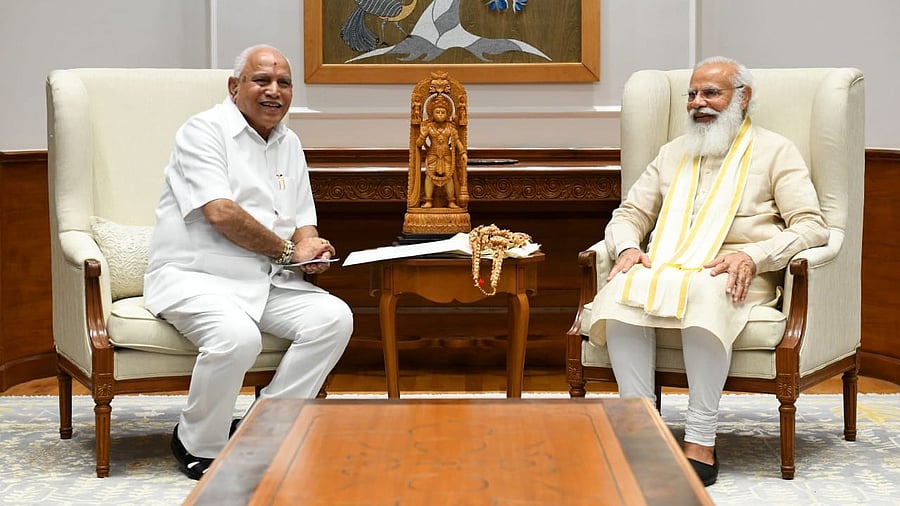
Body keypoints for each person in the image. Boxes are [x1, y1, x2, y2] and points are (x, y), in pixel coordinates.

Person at [588, 56, 829, 486]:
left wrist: (754, 256)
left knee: (704, 290)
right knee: (623, 286)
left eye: (711, 93)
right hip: (667, 264)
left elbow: (811, 225)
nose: (699, 103)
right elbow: (629, 214)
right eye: (693, 94)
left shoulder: (775, 150)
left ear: (743, 97)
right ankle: (640, 428)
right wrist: (626, 248)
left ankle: (700, 439)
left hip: (737, 274)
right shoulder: (673, 152)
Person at [143, 44, 353, 480]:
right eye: (262, 80)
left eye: (284, 83)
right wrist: (287, 252)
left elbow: (302, 222)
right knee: (238, 338)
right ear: (234, 86)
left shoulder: (289, 141)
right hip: (193, 276)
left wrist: (312, 251)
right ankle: (197, 441)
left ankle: (266, 426)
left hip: (264, 279)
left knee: (333, 318)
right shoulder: (202, 131)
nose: (274, 91)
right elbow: (220, 212)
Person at [415, 95, 467, 208]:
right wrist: (423, 136)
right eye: (437, 112)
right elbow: (418, 144)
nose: (440, 115)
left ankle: (451, 201)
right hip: (432, 155)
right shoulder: (428, 127)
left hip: (446, 155)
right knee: (429, 176)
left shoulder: (450, 127)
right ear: (432, 114)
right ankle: (428, 200)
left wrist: (463, 152)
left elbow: (457, 141)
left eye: (443, 112)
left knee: (448, 177)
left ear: (447, 114)